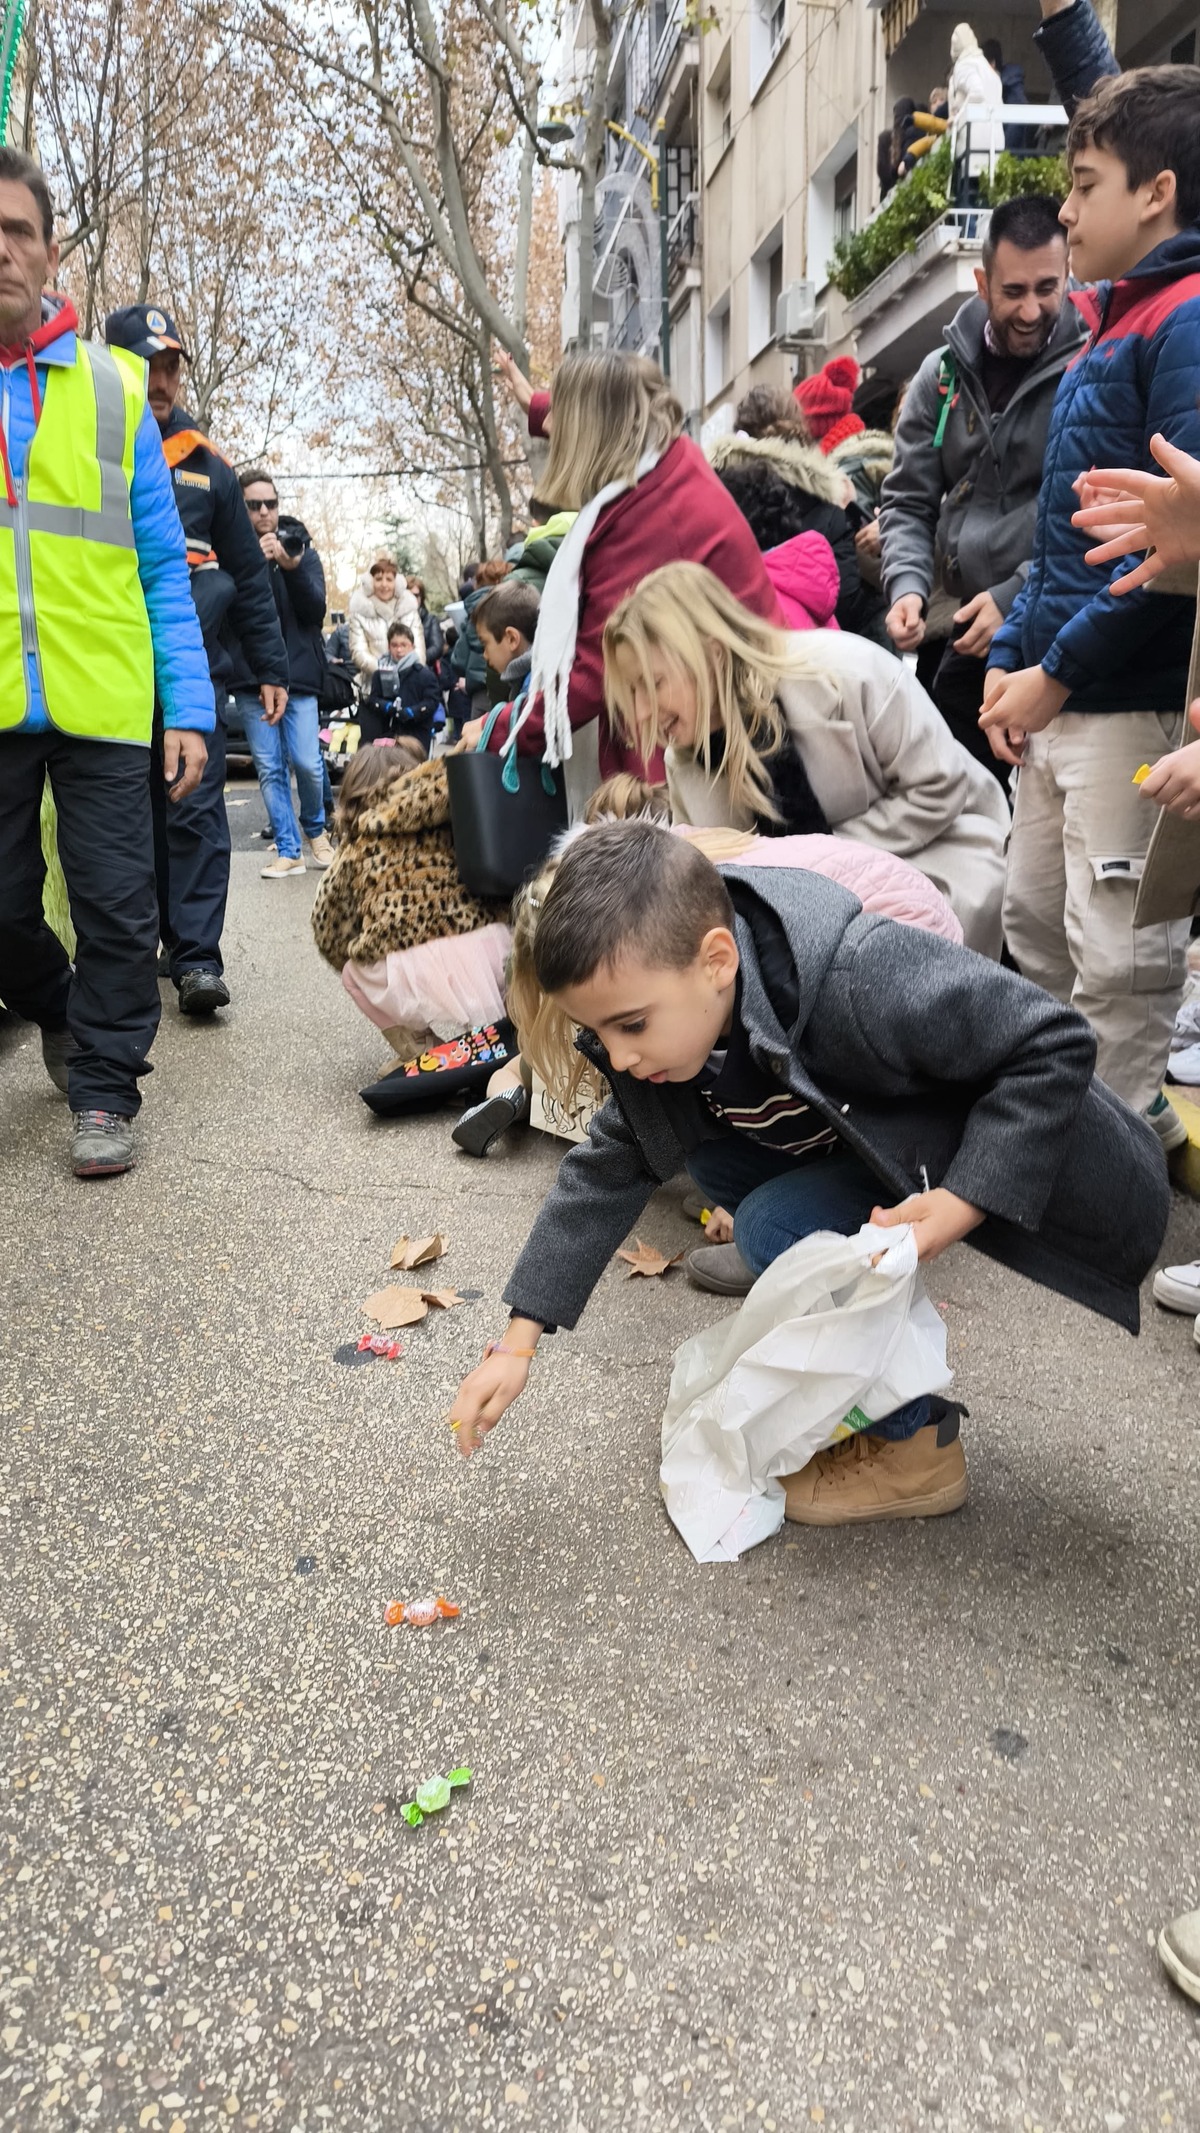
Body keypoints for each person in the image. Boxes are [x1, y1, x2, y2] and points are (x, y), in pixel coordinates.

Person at [445, 822, 1167, 1532]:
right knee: (704, 1156)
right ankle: (847, 1312)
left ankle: (917, 1444)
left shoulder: (857, 976)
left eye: (630, 1024)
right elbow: (603, 1170)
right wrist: (517, 1343)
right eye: (598, 1033)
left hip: (1008, 1159)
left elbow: (1052, 1039)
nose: (620, 1056)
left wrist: (963, 1199)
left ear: (718, 959)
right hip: (884, 1142)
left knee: (773, 1225)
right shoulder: (679, 1021)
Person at [979, 66, 1200, 1148]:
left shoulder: (1186, 322)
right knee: (1040, 925)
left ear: (1156, 193)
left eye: (1084, 182)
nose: (1064, 209)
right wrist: (1013, 655)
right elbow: (1062, 543)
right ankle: (1087, 1132)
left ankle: (1111, 1158)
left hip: (1130, 709)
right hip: (1061, 701)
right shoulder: (1104, 334)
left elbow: (1170, 555)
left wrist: (1052, 669)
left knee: (1120, 953)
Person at [0, 152, 214, 1176]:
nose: (2, 248)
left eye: (18, 230)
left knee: (120, 908)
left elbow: (166, 568)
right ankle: (56, 1007)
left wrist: (190, 709)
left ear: (49, 253)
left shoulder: (116, 387)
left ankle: (104, 1089)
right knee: (3, 909)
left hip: (105, 697)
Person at [604, 562, 1009, 959]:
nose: (642, 713)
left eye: (653, 684)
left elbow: (938, 784)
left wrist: (826, 862)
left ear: (712, 655)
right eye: (631, 694)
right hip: (816, 927)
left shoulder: (848, 672)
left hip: (938, 862)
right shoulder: (686, 761)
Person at [477, 352, 784, 793]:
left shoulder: (648, 516)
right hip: (713, 729)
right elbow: (610, 403)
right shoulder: (661, 466)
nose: (549, 429)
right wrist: (535, 403)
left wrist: (497, 729)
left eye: (560, 417)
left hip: (712, 755)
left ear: (593, 429)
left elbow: (592, 673)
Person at [104, 304, 288, 1011]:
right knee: (133, 815)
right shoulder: (88, 447)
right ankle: (149, 939)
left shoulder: (209, 466)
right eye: (149, 363)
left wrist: (270, 666)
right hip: (109, 672)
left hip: (190, 671)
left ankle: (198, 960)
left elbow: (246, 573)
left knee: (196, 810)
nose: (162, 379)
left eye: (173, 365)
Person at [881, 194, 1084, 779]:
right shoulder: (938, 375)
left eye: (1047, 288)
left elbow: (1080, 504)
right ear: (981, 283)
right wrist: (907, 588)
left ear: (1068, 274)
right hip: (959, 632)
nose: (1031, 310)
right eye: (1013, 292)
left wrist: (1014, 598)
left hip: (1052, 627)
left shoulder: (1090, 362)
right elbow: (907, 501)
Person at [310, 739, 510, 1060]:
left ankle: (425, 1053)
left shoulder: (361, 842)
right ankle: (504, 1042)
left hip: (418, 972)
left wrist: (363, 948)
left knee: (352, 972)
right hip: (493, 950)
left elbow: (328, 928)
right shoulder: (455, 813)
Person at [711, 385, 889, 643]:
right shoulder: (826, 502)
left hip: (736, 652)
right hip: (817, 657)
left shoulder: (715, 496)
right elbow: (846, 605)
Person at [225, 468, 335, 879]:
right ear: (242, 507)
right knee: (269, 767)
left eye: (270, 504)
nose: (264, 513)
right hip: (252, 678)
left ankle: (317, 834)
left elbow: (315, 610)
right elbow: (230, 613)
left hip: (298, 677)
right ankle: (288, 850)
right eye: (254, 505)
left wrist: (290, 566)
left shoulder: (301, 548)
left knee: (308, 762)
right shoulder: (232, 551)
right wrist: (252, 563)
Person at [358, 622, 444, 750]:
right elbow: (373, 699)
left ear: (412, 646)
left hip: (416, 734)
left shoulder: (425, 675)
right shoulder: (380, 673)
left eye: (404, 645)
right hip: (388, 734)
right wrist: (386, 707)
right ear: (388, 647)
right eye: (394, 645)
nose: (399, 650)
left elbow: (432, 701)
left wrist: (412, 712)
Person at [348, 556, 425, 684]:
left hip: (410, 682)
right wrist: (386, 673)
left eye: (389, 579)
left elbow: (419, 649)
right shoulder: (359, 613)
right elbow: (358, 652)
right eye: (378, 579)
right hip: (374, 684)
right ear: (371, 583)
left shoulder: (409, 610)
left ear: (397, 583)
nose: (384, 585)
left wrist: (407, 671)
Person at [473, 579, 539, 712]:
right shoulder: (530, 677)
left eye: (485, 643)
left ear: (512, 639)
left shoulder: (532, 688)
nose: (485, 655)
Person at [408, 577, 443, 664]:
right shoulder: (397, 617)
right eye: (409, 595)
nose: (412, 599)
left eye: (416, 596)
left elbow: (436, 648)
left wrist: (416, 660)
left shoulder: (430, 620)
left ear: (421, 597)